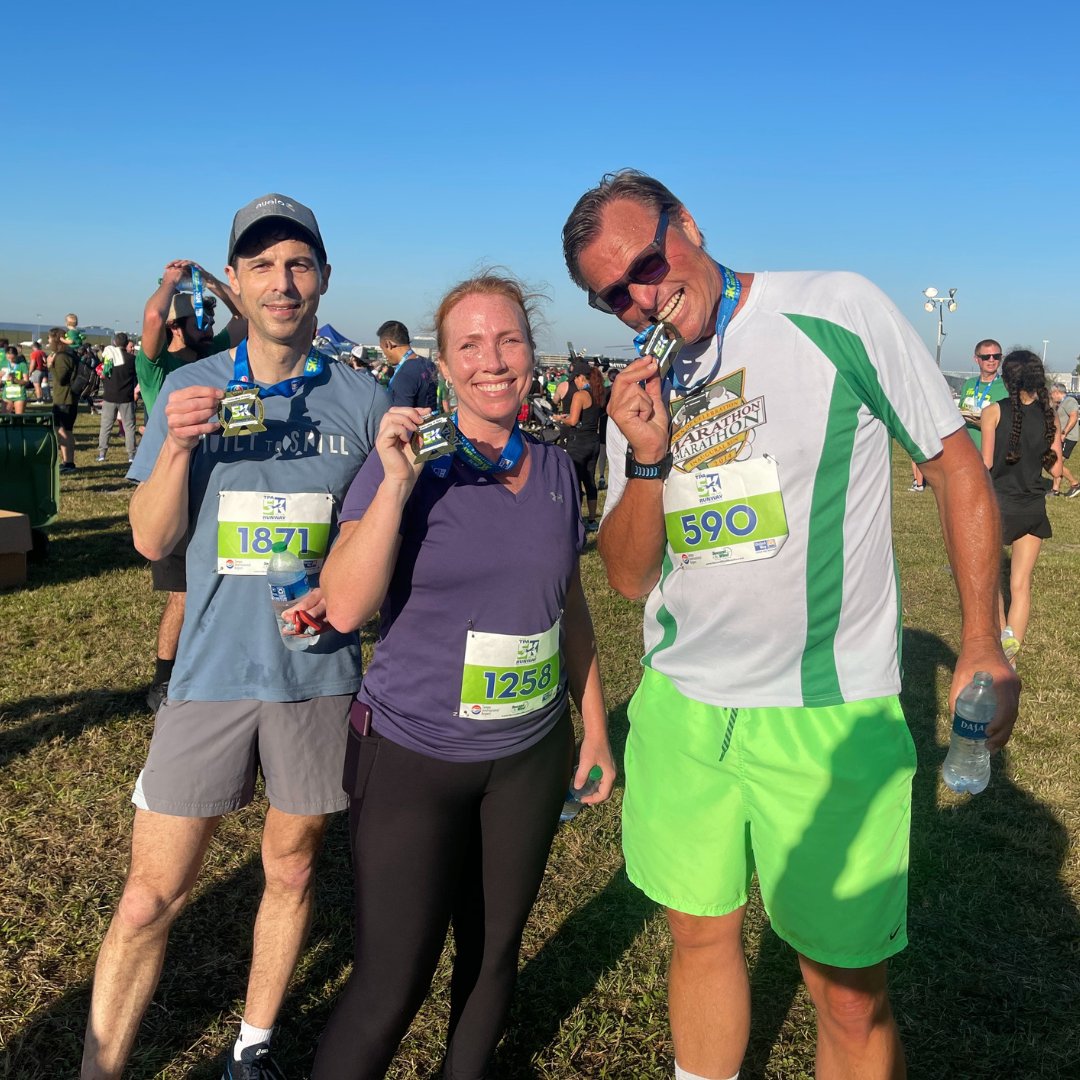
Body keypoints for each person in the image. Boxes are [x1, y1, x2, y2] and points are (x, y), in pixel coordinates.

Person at [561, 169, 1020, 1080]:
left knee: (847, 992)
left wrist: (980, 639)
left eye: (648, 265)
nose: (639, 298)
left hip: (826, 714)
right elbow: (624, 577)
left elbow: (956, 467)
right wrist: (646, 459)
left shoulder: (832, 306)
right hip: (683, 713)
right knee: (697, 939)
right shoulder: (639, 389)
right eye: (611, 295)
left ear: (686, 224)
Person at [81, 193, 386, 1080]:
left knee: (290, 873)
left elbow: (376, 544)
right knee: (146, 899)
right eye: (262, 266)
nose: (282, 282)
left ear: (322, 279)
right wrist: (175, 450)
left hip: (318, 678)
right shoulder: (190, 386)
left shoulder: (363, 399)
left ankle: (253, 1046)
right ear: (238, 284)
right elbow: (150, 539)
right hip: (209, 674)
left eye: (298, 264)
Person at [312, 274, 614, 1080]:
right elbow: (343, 607)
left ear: (532, 355)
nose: (493, 359)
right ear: (443, 366)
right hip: (414, 755)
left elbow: (568, 603)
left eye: (508, 340)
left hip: (526, 757)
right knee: (391, 983)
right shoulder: (406, 464)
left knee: (490, 962)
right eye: (470, 345)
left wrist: (592, 726)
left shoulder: (554, 472)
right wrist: (398, 484)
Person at [137, 264, 247, 712]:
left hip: (217, 482)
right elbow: (150, 322)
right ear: (177, 326)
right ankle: (164, 678)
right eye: (201, 318)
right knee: (183, 594)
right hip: (173, 484)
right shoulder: (158, 365)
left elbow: (245, 319)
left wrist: (214, 284)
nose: (211, 324)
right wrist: (170, 284)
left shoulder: (213, 355)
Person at [979, 350, 1062, 665]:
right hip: (1032, 507)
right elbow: (1055, 470)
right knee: (1020, 584)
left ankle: (1000, 639)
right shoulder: (1049, 417)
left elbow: (985, 463)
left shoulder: (992, 412)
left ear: (1005, 379)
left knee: (992, 583)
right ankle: (1011, 656)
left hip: (997, 505)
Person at [553, 357, 605, 531]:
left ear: (581, 377)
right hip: (593, 441)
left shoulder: (579, 395)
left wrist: (560, 419)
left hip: (579, 442)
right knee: (590, 479)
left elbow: (574, 421)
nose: (575, 381)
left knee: (574, 479)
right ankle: (592, 519)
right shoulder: (598, 393)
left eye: (575, 378)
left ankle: (576, 518)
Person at [957, 339, 1008, 449]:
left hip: (993, 452)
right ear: (976, 359)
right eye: (986, 357)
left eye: (996, 356)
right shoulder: (969, 383)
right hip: (967, 450)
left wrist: (986, 425)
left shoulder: (1007, 386)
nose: (991, 360)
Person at [377, 319, 438, 409]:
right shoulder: (429, 364)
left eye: (383, 349)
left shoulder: (404, 375)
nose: (385, 355)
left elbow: (401, 418)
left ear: (388, 344)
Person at [96, 333, 138, 463]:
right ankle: (131, 455)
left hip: (109, 396)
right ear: (127, 344)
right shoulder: (132, 359)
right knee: (129, 426)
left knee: (106, 426)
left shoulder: (109, 358)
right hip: (126, 397)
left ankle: (102, 454)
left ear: (114, 342)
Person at [46, 328, 78, 470]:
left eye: (49, 338)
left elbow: (60, 379)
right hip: (69, 398)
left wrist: (50, 366)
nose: (48, 341)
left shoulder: (62, 357)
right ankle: (69, 462)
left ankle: (67, 462)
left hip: (63, 399)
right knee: (68, 431)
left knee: (61, 431)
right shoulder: (69, 354)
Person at [1049, 382, 1079, 496]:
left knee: (1056, 463)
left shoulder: (1069, 401)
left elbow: (1074, 417)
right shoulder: (1060, 404)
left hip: (1068, 437)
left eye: (1052, 393)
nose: (1051, 395)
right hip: (1061, 437)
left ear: (1057, 392)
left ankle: (1075, 483)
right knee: (1056, 462)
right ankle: (1055, 490)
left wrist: (1064, 433)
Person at [2, 345, 30, 415]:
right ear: (6, 355)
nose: (10, 360)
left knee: (18, 418)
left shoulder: (22, 365)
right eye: (8, 357)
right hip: (7, 395)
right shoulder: (3, 364)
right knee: (5, 418)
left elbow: (26, 381)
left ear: (16, 355)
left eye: (13, 358)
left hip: (19, 396)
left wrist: (15, 380)